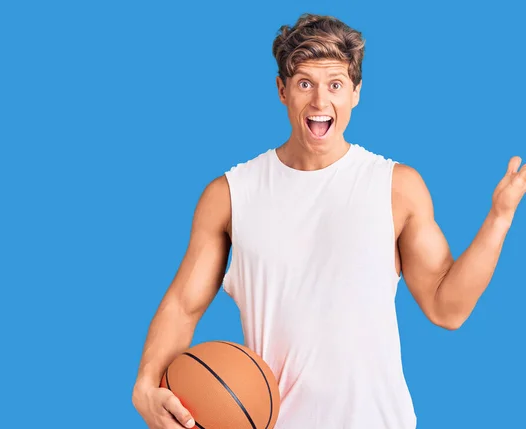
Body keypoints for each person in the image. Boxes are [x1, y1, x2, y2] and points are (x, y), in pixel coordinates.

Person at [131, 13, 526, 429]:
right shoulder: (231, 194)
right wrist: (144, 384)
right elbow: (182, 304)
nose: (320, 102)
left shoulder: (396, 187)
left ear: (356, 93)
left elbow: (448, 310)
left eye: (335, 85)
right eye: (305, 84)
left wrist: (500, 218)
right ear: (282, 90)